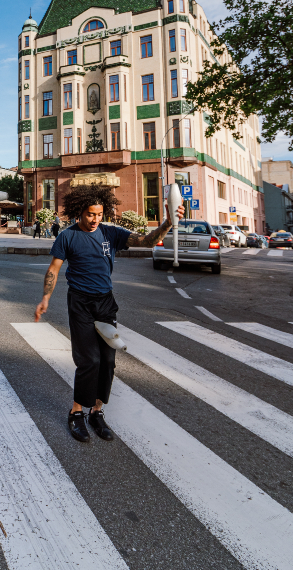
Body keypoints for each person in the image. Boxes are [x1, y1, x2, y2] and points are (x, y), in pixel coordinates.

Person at [34, 185, 184, 444]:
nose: (95, 220)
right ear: (79, 212)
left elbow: (148, 242)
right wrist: (46, 297)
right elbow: (54, 269)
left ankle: (97, 412)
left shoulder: (110, 233)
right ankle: (77, 412)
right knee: (89, 360)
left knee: (108, 361)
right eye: (91, 214)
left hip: (105, 302)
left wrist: (168, 223)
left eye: (100, 214)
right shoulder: (67, 237)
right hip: (80, 302)